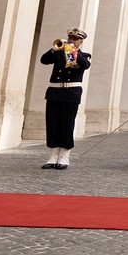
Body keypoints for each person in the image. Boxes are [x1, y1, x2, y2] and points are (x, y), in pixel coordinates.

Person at [39, 27, 92, 170]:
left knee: (67, 124)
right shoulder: (59, 53)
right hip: (54, 91)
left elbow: (84, 65)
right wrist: (54, 50)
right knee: (53, 124)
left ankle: (64, 155)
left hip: (71, 93)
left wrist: (72, 50)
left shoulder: (84, 55)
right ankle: (53, 155)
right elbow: (44, 60)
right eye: (70, 38)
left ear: (81, 41)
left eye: (75, 39)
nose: (71, 41)